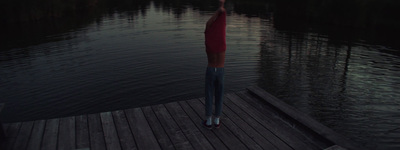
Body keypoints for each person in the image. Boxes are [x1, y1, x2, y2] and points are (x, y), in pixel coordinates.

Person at [203, 0, 226, 129]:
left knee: (209, 94)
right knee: (219, 95)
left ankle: (208, 121)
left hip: (211, 69)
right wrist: (221, 7)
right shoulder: (222, 43)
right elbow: (222, 25)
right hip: (221, 70)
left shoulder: (208, 43)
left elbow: (208, 24)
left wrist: (217, 11)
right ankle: (217, 120)